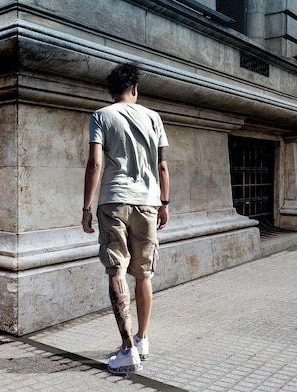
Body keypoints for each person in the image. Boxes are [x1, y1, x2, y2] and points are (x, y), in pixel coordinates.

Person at [81, 62, 170, 374]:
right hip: (147, 202)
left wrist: (86, 208)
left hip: (113, 201)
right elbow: (162, 166)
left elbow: (94, 164)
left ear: (111, 92)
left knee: (115, 270)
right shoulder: (153, 117)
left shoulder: (101, 116)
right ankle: (142, 340)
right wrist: (164, 203)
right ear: (134, 89)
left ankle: (127, 349)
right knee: (143, 274)